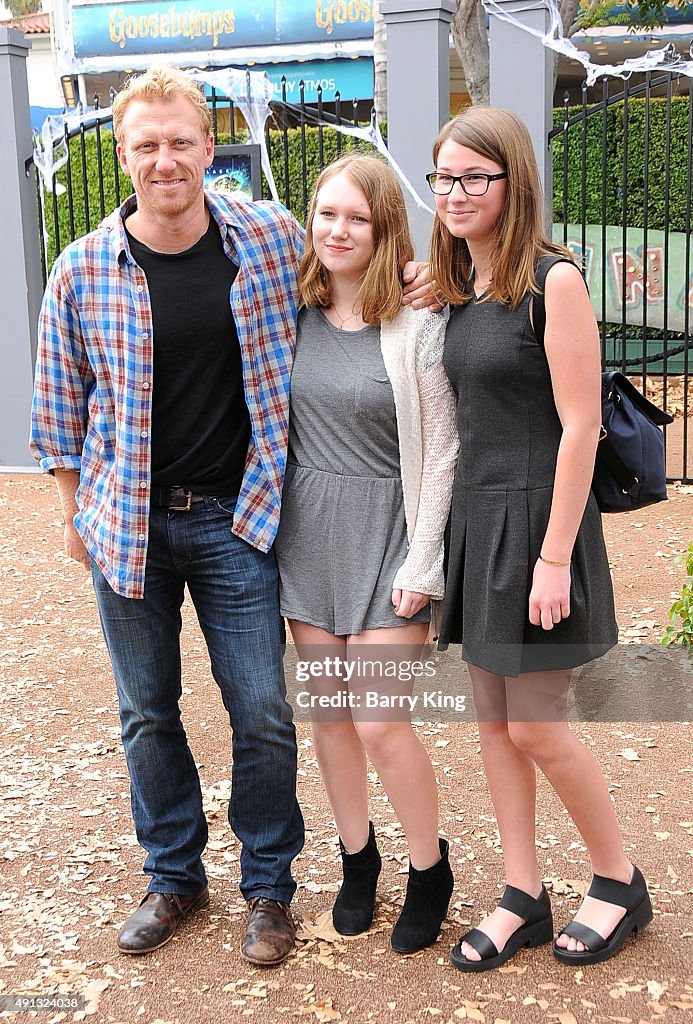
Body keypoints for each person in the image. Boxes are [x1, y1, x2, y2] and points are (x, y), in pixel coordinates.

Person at [30, 67, 434, 966]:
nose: (164, 159)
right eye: (146, 145)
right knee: (146, 713)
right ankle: (173, 876)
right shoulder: (83, 267)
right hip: (124, 523)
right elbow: (57, 411)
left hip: (238, 518)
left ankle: (269, 889)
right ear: (122, 154)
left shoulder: (266, 235)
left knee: (261, 710)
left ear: (210, 149)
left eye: (181, 142)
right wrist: (75, 517)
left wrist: (416, 280)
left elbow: (348, 276)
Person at [428, 108, 652, 971]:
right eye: (443, 176)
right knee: (491, 722)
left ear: (511, 183)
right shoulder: (457, 286)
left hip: (537, 523)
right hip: (476, 520)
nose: (453, 192)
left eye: (473, 177)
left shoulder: (551, 282)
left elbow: (578, 424)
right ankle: (521, 892)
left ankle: (617, 879)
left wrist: (554, 554)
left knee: (537, 724)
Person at [274, 154, 459, 953]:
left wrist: (423, 564)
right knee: (329, 718)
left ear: (385, 229)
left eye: (358, 217)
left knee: (382, 723)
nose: (338, 230)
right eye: (326, 214)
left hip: (390, 531)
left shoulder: (419, 321)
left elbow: (444, 451)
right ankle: (357, 860)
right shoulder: (289, 308)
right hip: (306, 535)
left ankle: (429, 868)